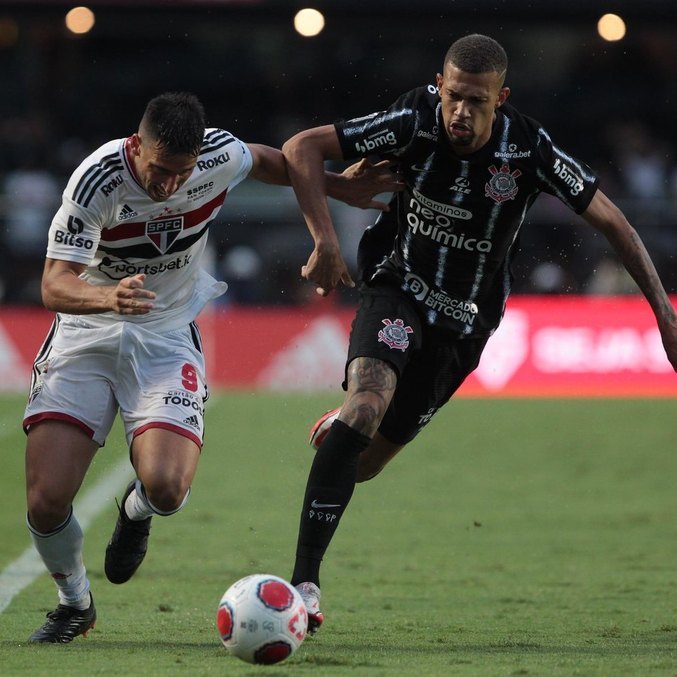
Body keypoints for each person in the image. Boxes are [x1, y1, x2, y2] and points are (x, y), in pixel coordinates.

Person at [280, 33, 677, 634]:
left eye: (476, 102)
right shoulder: (414, 118)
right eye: (453, 96)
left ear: (502, 99)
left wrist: (664, 317)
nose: (460, 112)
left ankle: (346, 430)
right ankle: (303, 585)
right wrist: (325, 241)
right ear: (440, 87)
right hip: (399, 289)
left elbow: (612, 221)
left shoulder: (529, 149)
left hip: (464, 326)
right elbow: (302, 147)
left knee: (360, 464)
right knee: (364, 407)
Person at [23, 91, 401, 644]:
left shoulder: (218, 155)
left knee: (168, 488)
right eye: (158, 170)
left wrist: (341, 187)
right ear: (137, 144)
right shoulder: (97, 180)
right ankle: (74, 604)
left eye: (181, 174)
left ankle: (136, 510)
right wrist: (108, 299)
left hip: (167, 335)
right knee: (47, 497)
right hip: (88, 332)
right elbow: (53, 283)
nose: (169, 185)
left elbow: (275, 161)